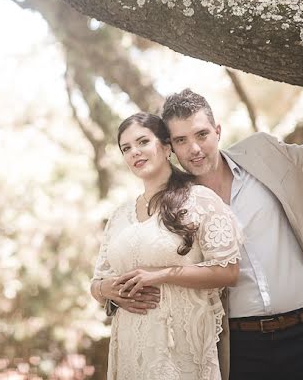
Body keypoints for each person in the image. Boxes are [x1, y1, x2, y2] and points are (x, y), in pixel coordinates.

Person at [160, 90, 303, 380]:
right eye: (181, 140)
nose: (194, 148)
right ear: (170, 147)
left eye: (202, 134)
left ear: (217, 131)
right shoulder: (175, 206)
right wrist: (107, 291)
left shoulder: (264, 153)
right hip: (241, 347)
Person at [90, 113, 242, 380]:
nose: (134, 152)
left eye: (142, 142)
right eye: (126, 148)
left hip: (179, 350)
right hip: (129, 349)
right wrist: (107, 290)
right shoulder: (119, 216)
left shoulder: (201, 200)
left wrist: (160, 274)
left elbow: (228, 272)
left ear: (166, 146)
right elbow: (97, 283)